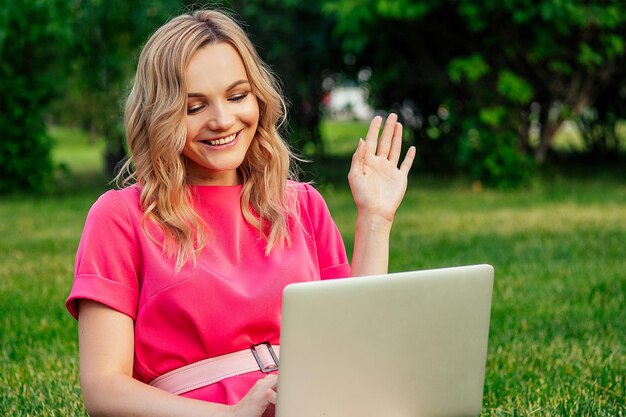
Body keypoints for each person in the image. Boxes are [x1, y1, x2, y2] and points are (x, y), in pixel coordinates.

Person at [65, 9, 416, 417]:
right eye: (194, 107)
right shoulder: (121, 218)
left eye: (237, 96)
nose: (223, 120)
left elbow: (357, 341)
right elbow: (104, 391)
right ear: (160, 117)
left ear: (258, 98)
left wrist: (375, 218)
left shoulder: (302, 206)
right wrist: (231, 415)